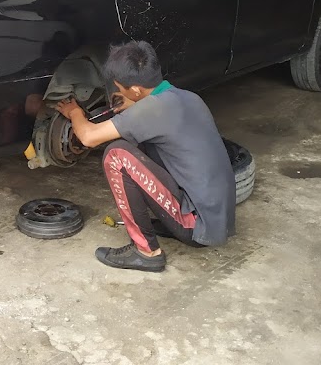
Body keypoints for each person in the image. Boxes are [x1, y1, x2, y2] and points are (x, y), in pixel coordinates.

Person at [55, 41, 236, 272]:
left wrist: (74, 112)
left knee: (117, 155)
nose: (119, 92)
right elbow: (155, 116)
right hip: (217, 220)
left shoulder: (151, 111)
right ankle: (171, 223)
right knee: (138, 142)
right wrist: (134, 107)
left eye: (120, 88)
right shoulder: (187, 97)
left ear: (136, 90)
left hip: (197, 227)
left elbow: (88, 137)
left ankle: (146, 252)